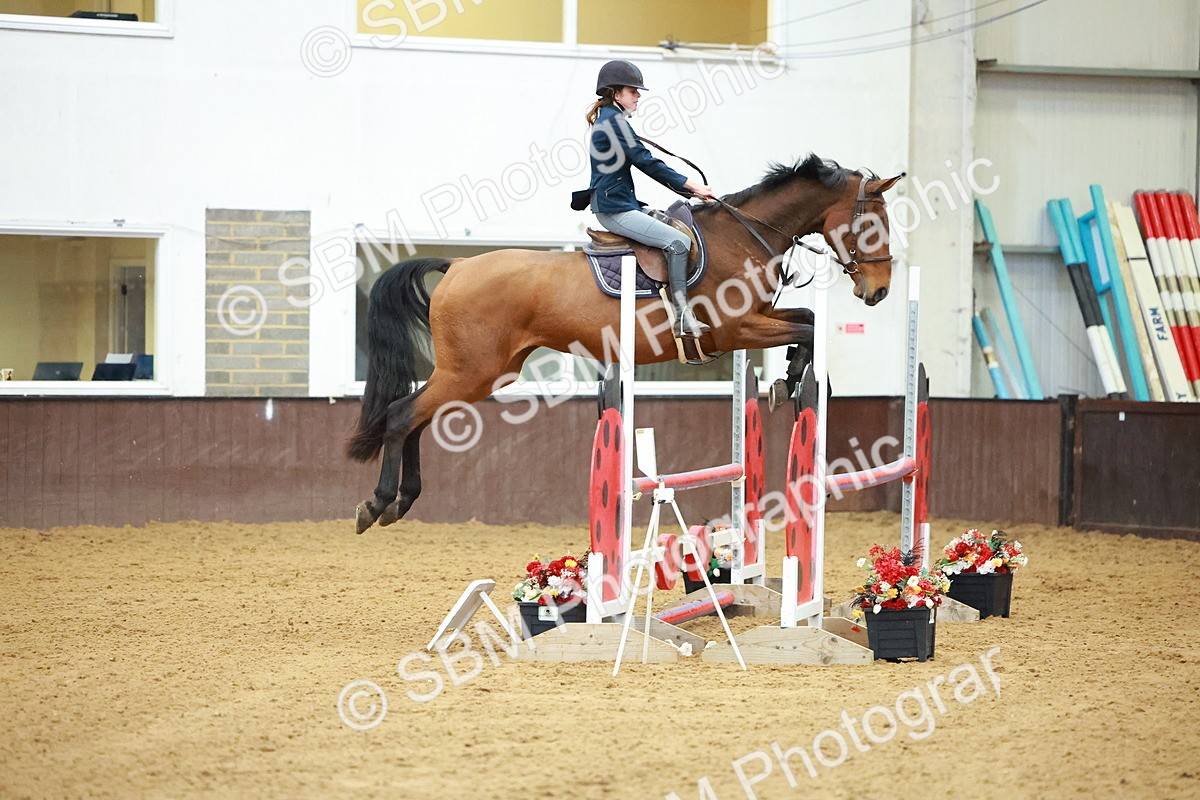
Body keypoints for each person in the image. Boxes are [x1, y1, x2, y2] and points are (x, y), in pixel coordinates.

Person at [584, 60, 717, 340]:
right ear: (616, 94)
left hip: (622, 203)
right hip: (614, 209)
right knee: (679, 243)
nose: (638, 96)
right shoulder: (614, 123)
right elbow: (647, 162)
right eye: (633, 91)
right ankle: (682, 317)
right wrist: (692, 186)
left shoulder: (612, 120)